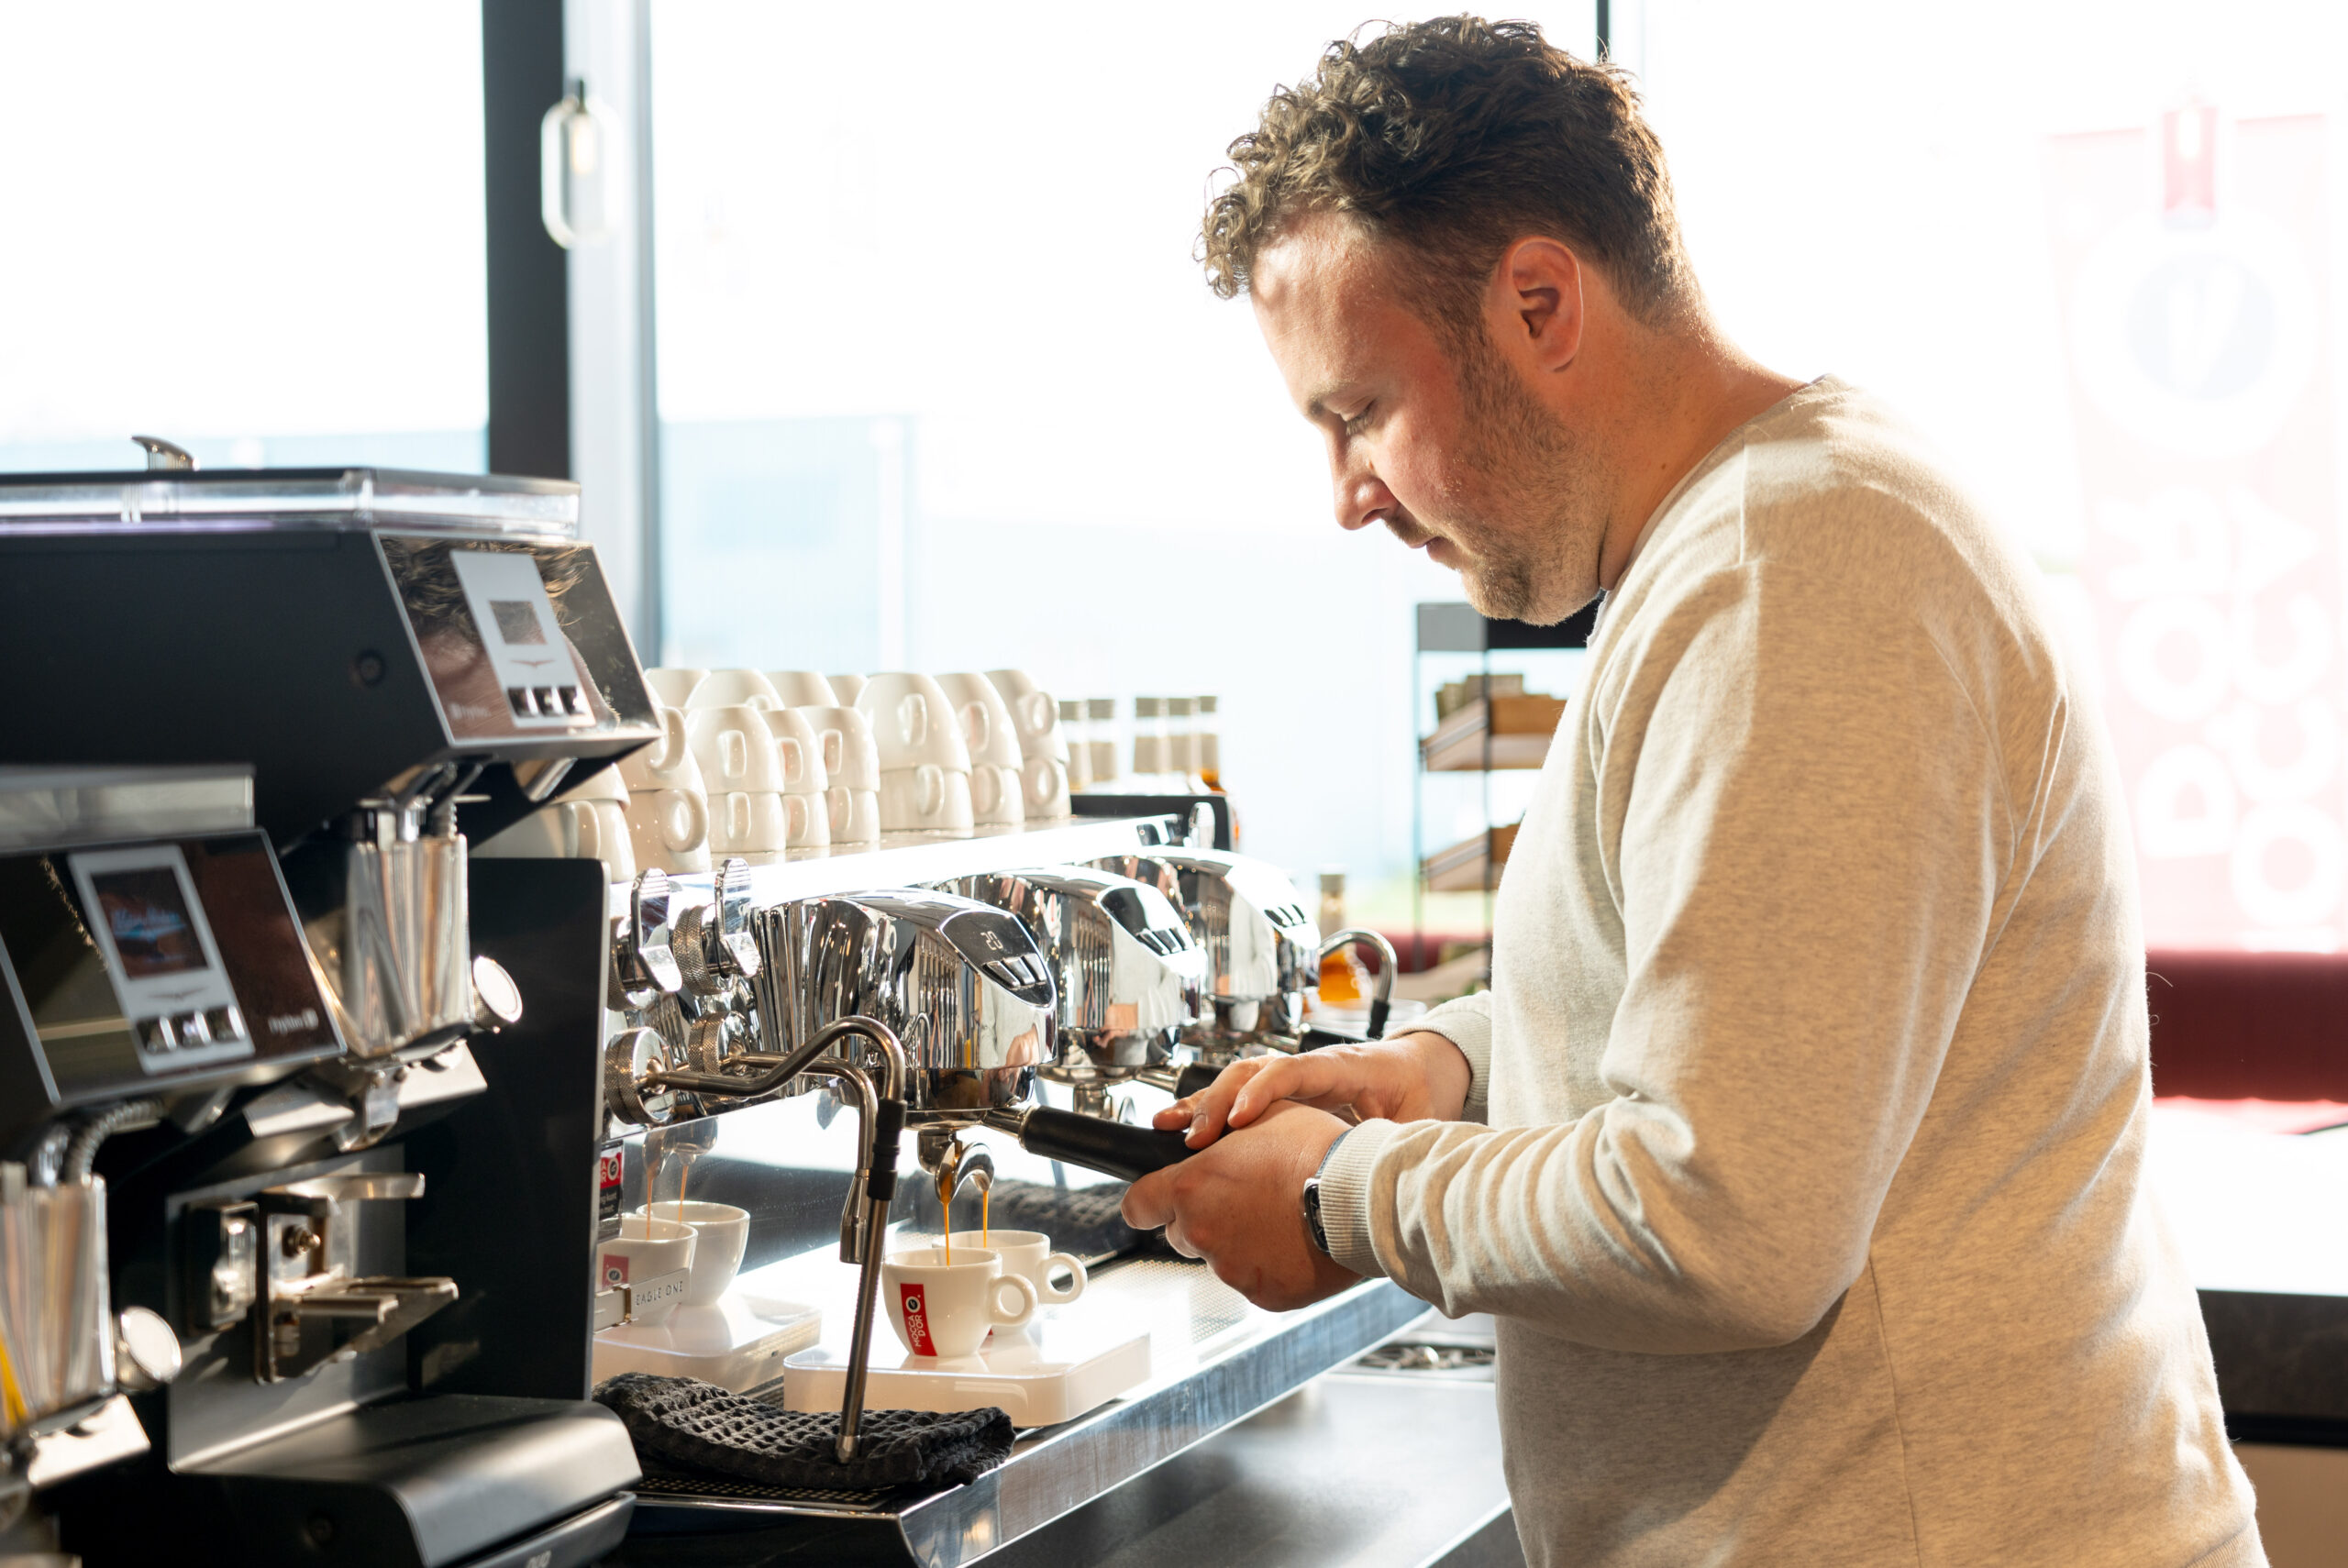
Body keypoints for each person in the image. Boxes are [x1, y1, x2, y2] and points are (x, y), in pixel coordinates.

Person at [1119, 17, 2263, 1565]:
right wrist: (1455, 1070)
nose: (1347, 497)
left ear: (1539, 302)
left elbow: (1729, 1220)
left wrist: (1347, 1196)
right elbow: (1730, 1012)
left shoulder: (1792, 570)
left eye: (1359, 411)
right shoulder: (1751, 540)